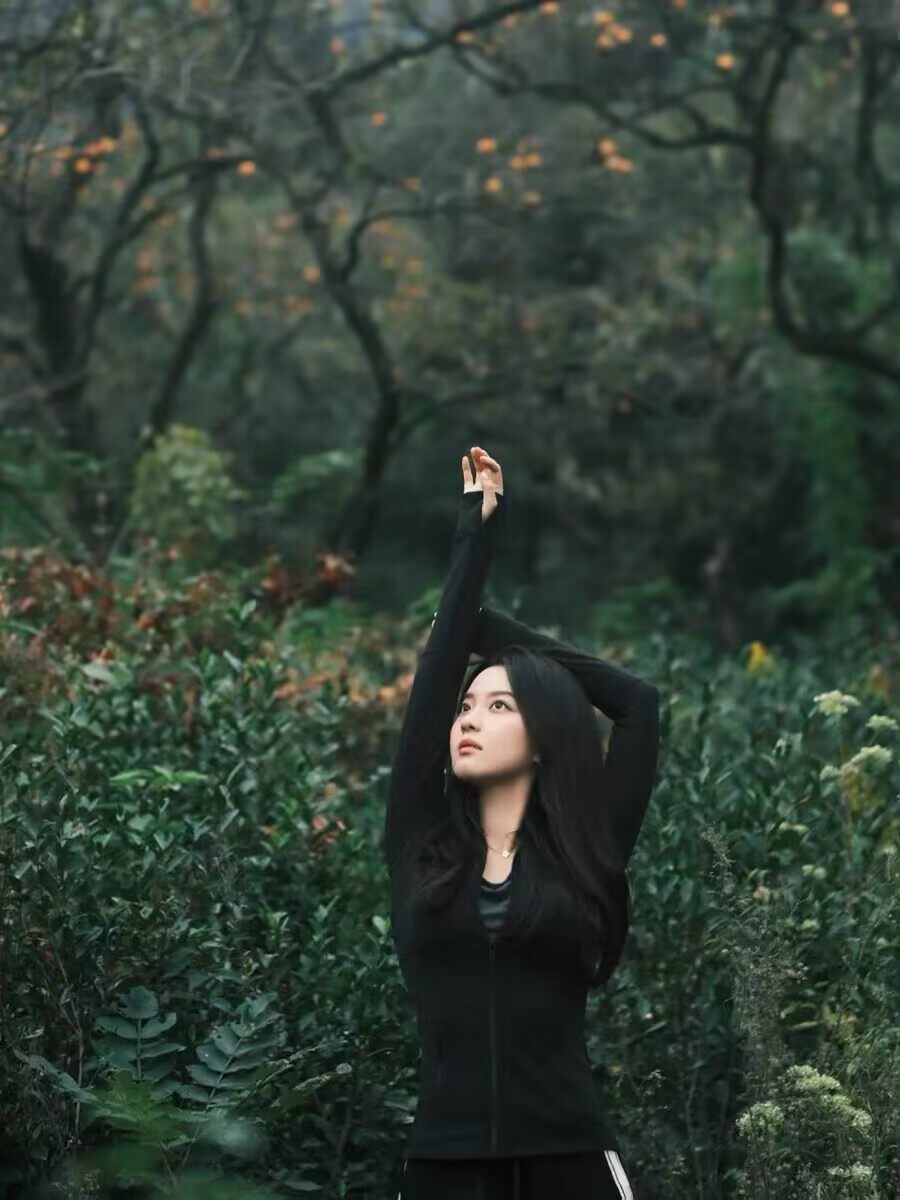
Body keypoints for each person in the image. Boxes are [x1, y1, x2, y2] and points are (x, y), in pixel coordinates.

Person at [383, 447, 661, 1199]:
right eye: (467, 707)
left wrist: (496, 634)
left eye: (499, 706)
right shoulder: (419, 842)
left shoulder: (585, 848)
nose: (469, 720)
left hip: (571, 1160)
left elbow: (638, 703)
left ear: (544, 737)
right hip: (444, 1166)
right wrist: (474, 537)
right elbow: (433, 681)